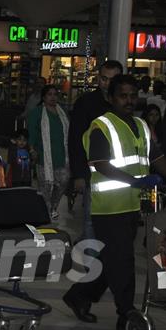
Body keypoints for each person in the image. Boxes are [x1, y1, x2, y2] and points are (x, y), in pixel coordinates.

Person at [63, 75, 166, 330]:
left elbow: (157, 157)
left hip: (131, 206)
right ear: (111, 98)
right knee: (123, 260)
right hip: (107, 207)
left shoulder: (141, 124)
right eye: (123, 96)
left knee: (110, 259)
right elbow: (100, 164)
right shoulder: (101, 126)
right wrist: (135, 182)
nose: (129, 100)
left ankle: (79, 295)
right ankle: (126, 312)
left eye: (132, 95)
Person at [67, 60, 123, 239]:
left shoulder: (123, 103)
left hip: (120, 173)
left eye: (111, 80)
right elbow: (75, 140)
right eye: (103, 79)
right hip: (93, 173)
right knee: (92, 219)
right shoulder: (87, 103)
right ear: (98, 79)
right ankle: (92, 263)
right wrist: (79, 175)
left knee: (116, 221)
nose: (106, 84)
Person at [28, 85, 70, 220]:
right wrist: (32, 149)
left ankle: (53, 206)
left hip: (61, 156)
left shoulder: (62, 112)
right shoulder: (37, 113)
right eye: (49, 95)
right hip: (43, 156)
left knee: (63, 182)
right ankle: (45, 212)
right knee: (45, 187)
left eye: (55, 94)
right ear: (44, 97)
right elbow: (32, 133)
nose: (53, 97)